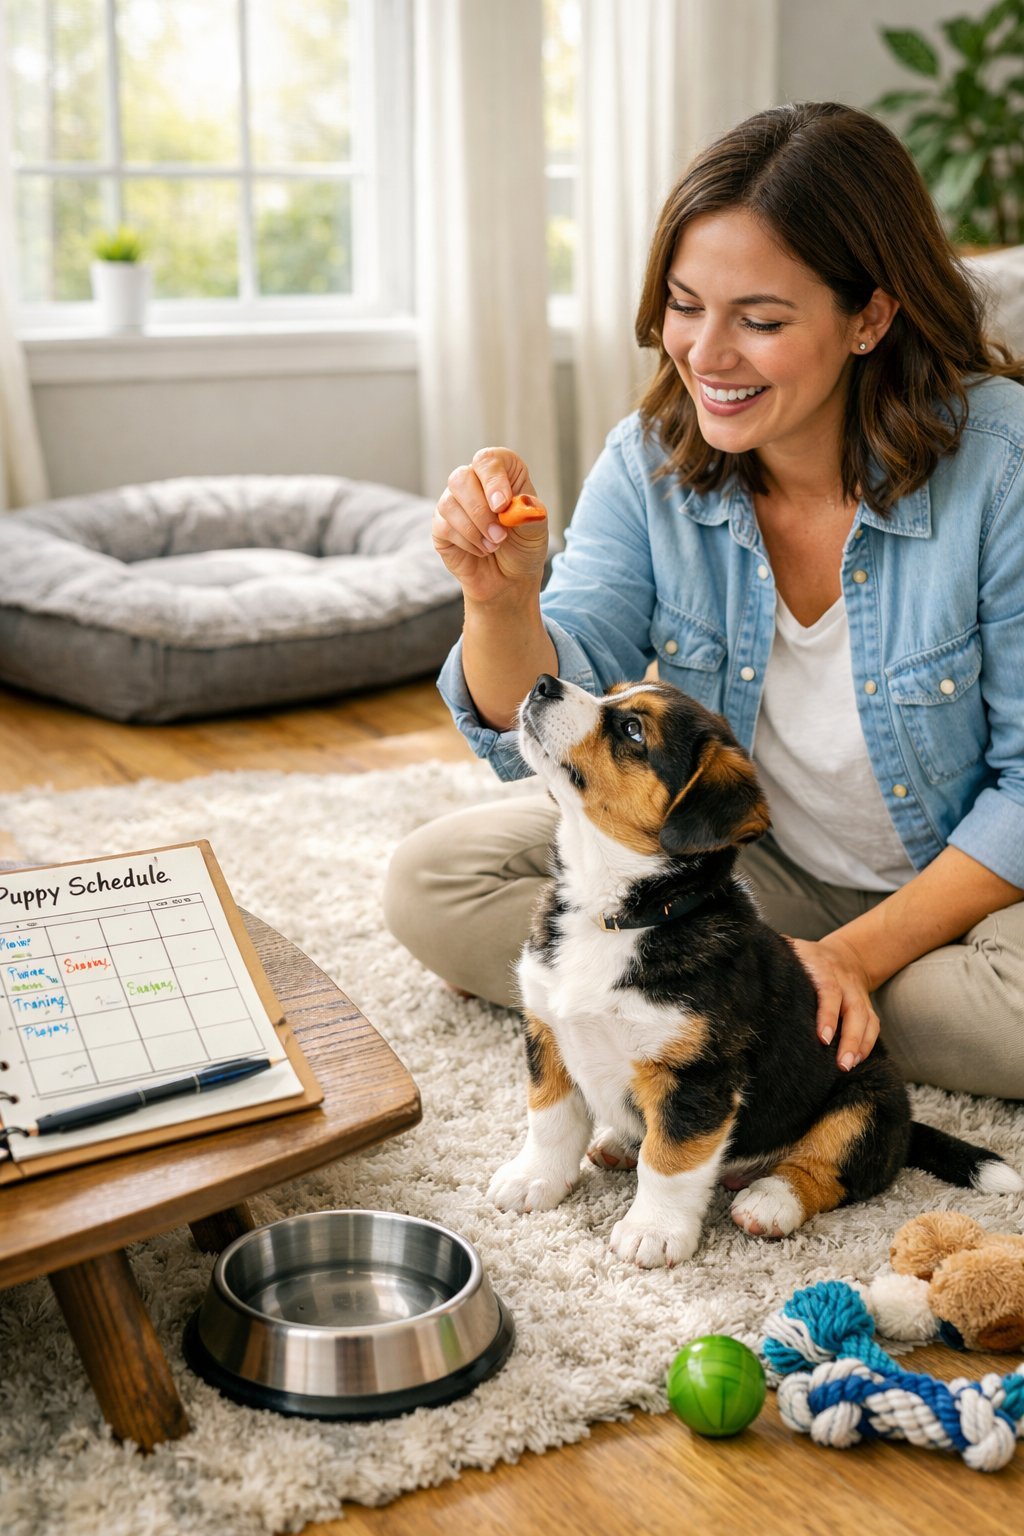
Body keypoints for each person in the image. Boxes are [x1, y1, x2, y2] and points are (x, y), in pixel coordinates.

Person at [384, 100, 1024, 1102]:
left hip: (973, 896)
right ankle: (767, 1003)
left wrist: (855, 955)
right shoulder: (648, 465)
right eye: (685, 306)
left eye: (759, 321)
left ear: (870, 316)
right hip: (739, 876)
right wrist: (499, 602)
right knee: (435, 881)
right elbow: (545, 730)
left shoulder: (1002, 468)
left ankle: (750, 1004)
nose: (706, 355)